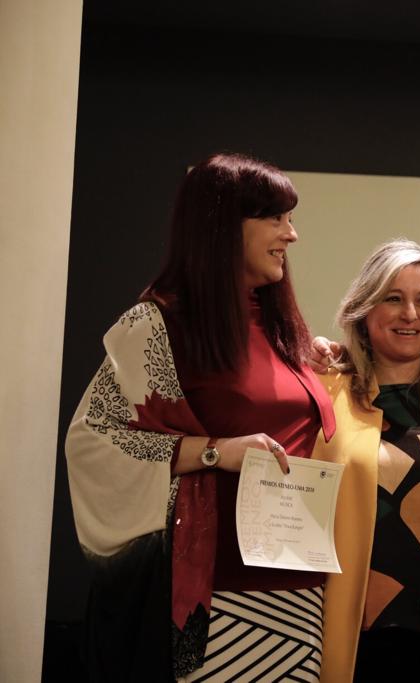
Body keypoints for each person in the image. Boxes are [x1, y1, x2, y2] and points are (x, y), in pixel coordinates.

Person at [65, 152, 336, 681]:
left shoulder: (282, 329)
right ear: (222, 225)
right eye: (276, 218)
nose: (293, 235)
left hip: (299, 592)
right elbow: (94, 440)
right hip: (218, 596)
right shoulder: (159, 324)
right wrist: (215, 451)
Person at [313, 240, 420, 682]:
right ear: (364, 312)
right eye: (393, 298)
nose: (410, 313)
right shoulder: (326, 395)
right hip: (363, 640)